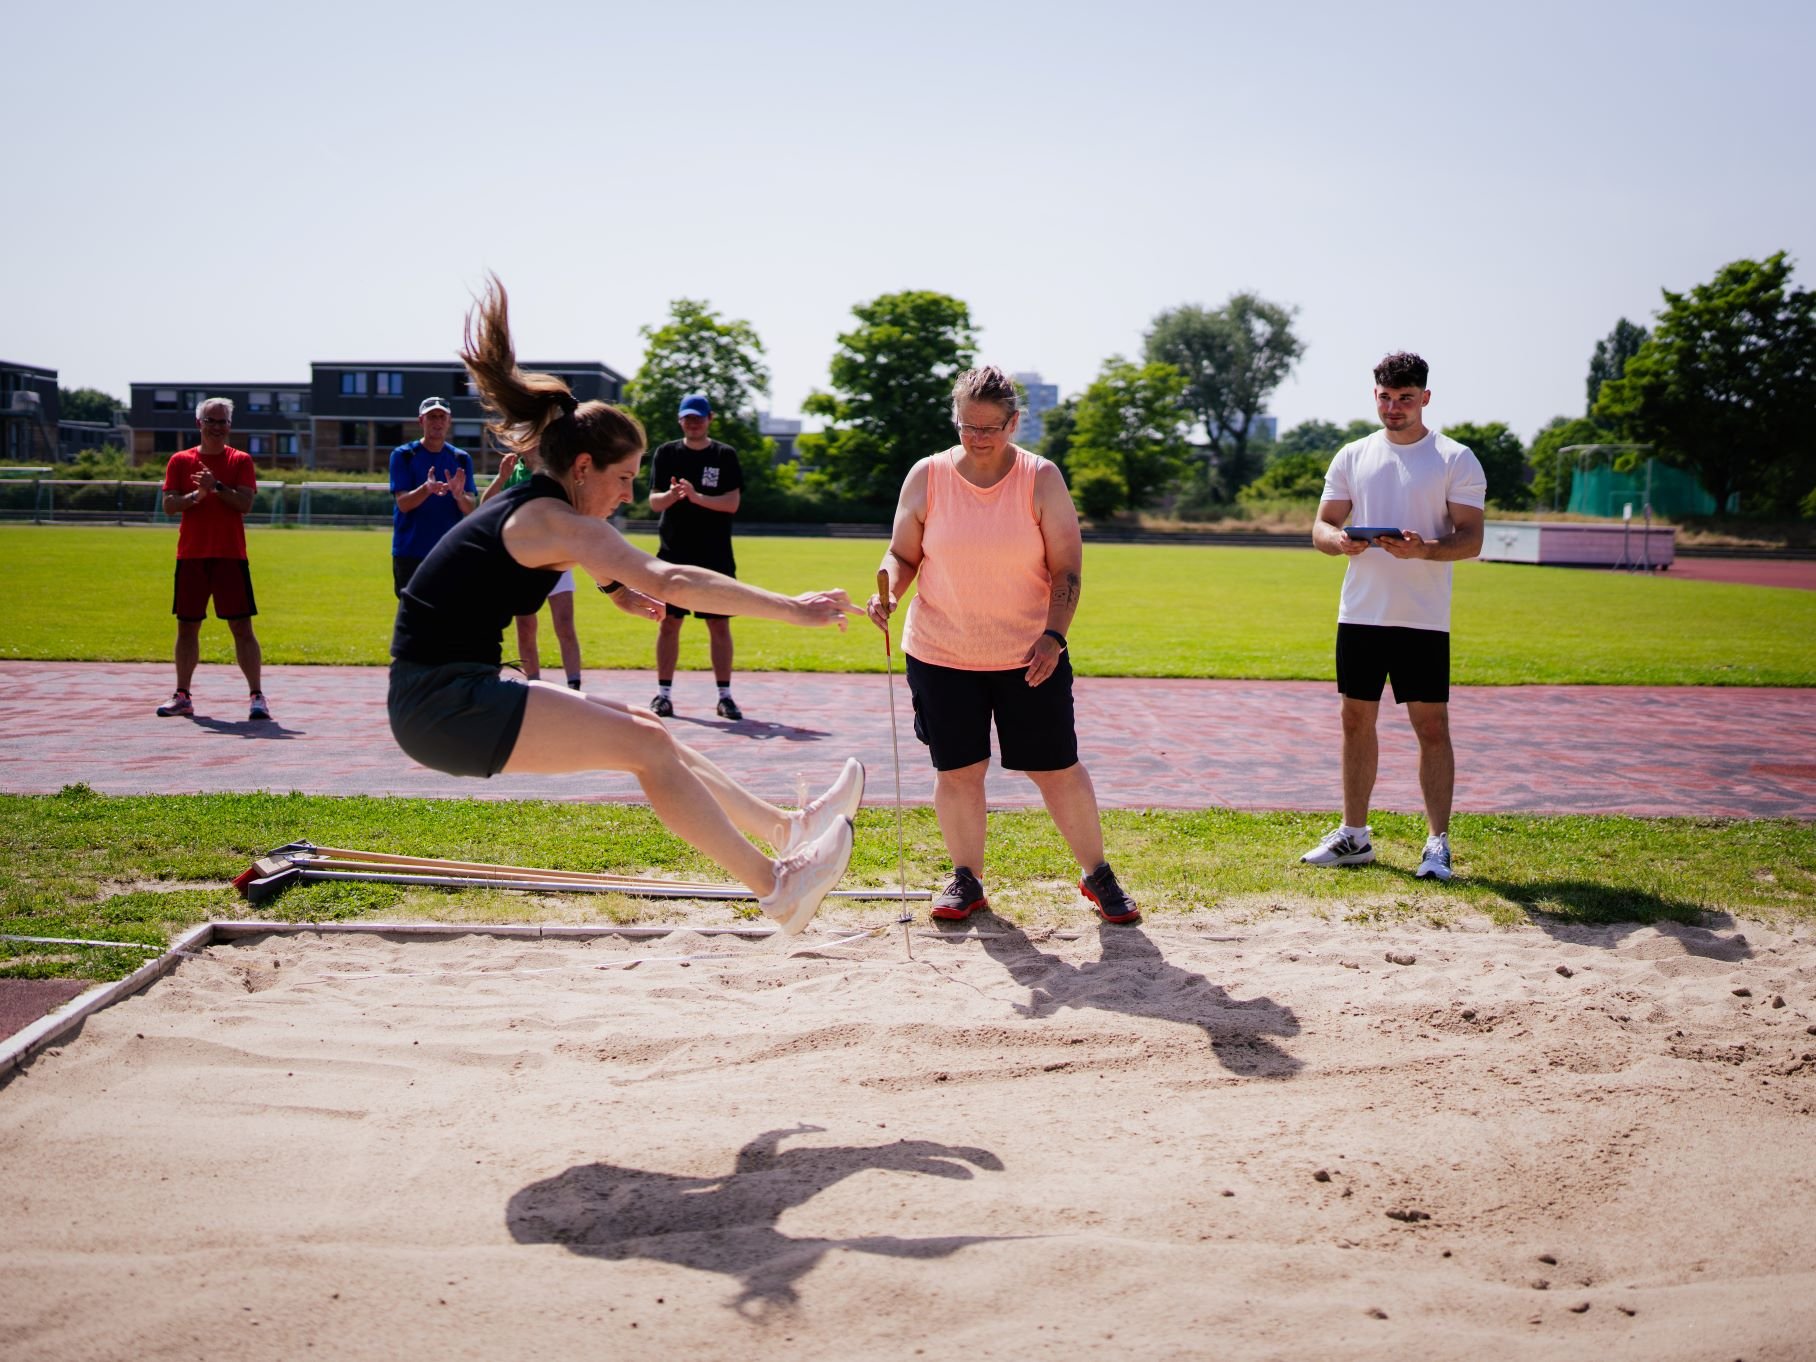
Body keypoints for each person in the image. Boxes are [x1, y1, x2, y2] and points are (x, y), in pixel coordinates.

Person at [388, 277, 864, 934]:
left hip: (455, 688)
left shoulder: (546, 505)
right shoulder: (559, 521)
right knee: (643, 744)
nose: (629, 494)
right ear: (581, 466)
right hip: (440, 703)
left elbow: (555, 554)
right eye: (622, 478)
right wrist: (794, 607)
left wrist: (613, 589)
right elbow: (671, 579)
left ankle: (790, 828)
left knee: (649, 729)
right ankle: (777, 887)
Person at [865, 365, 1138, 925]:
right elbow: (903, 553)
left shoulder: (1041, 478)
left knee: (1057, 767)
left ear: (1014, 423)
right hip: (941, 653)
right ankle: (966, 879)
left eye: (991, 427)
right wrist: (888, 586)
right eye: (968, 425)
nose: (978, 437)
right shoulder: (927, 475)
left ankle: (1098, 875)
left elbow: (1067, 569)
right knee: (959, 771)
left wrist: (1054, 637)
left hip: (1029, 655)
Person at [1302, 351, 1486, 881]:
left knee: (1431, 726)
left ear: (1425, 398)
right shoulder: (1353, 455)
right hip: (1360, 613)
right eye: (1385, 397)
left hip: (1423, 617)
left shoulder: (1455, 458)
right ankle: (1354, 836)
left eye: (1405, 398)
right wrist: (1338, 541)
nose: (1393, 407)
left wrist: (1423, 550)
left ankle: (1437, 844)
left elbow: (1471, 539)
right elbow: (1321, 526)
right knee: (1355, 721)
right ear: (1375, 395)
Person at [155, 397, 271, 722]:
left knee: (241, 626)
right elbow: (168, 505)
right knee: (187, 626)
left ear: (230, 426)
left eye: (222, 421)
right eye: (211, 421)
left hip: (230, 554)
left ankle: (257, 697)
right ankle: (182, 695)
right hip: (191, 554)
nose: (217, 427)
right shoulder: (179, 461)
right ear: (199, 424)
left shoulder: (240, 460)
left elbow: (244, 504)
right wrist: (196, 496)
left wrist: (216, 487)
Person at [647, 394, 745, 720]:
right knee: (669, 622)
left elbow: (731, 503)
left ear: (710, 419)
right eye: (688, 418)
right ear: (680, 420)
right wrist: (673, 496)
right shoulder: (666, 453)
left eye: (699, 417)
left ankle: (725, 696)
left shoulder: (724, 455)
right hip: (674, 553)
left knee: (718, 624)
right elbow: (654, 503)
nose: (693, 423)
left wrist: (696, 497)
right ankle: (663, 695)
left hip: (714, 554)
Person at [482, 447, 586, 690]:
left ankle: (574, 685)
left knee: (564, 622)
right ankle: (534, 684)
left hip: (556, 555)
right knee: (526, 626)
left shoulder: (553, 469)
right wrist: (501, 478)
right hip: (524, 560)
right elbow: (486, 505)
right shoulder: (513, 470)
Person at [389, 396, 476, 598]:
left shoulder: (460, 458)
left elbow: (470, 508)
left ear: (449, 421)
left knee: (447, 616)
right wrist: (426, 489)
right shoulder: (403, 456)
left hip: (449, 551)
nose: (437, 422)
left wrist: (458, 495)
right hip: (411, 551)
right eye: (432, 417)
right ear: (421, 421)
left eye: (441, 417)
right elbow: (403, 504)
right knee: (412, 617)